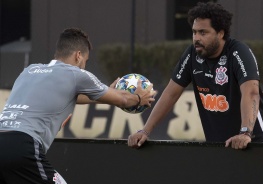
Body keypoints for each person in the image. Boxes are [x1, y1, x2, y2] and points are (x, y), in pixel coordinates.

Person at [0, 27, 156, 184]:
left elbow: (73, 96)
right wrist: (138, 97)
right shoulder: (76, 74)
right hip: (22, 145)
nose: (84, 66)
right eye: (86, 61)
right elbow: (123, 99)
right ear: (78, 56)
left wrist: (105, 94)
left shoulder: (29, 71)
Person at [128, 2, 263, 150]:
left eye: (203, 32)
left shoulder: (238, 52)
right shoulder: (192, 54)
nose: (196, 38)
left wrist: (245, 132)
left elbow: (251, 92)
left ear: (220, 33)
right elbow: (170, 94)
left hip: (255, 140)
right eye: (194, 32)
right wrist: (145, 131)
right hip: (220, 144)